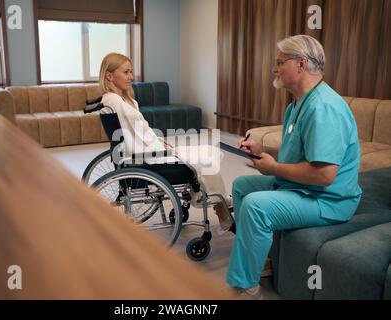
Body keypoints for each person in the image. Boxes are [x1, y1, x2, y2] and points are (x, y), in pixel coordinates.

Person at [226, 35, 362, 299]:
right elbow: (301, 156)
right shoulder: (297, 105)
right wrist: (263, 153)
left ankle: (244, 286)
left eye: (279, 63)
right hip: (303, 188)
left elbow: (324, 175)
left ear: (301, 64)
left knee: (256, 206)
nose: (274, 69)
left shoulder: (323, 108)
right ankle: (259, 260)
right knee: (243, 186)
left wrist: (274, 168)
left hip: (329, 200)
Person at [98, 52, 234, 231]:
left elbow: (139, 133)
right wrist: (163, 149)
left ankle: (216, 198)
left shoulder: (119, 99)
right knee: (207, 158)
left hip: (150, 150)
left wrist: (162, 144)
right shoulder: (115, 100)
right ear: (109, 75)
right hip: (148, 158)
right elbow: (135, 139)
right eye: (126, 72)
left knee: (209, 151)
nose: (131, 77)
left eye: (131, 72)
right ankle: (220, 207)